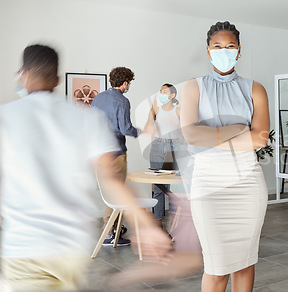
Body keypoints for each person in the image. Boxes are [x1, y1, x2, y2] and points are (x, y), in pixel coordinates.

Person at [0, 44, 172, 291]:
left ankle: (111, 232)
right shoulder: (84, 118)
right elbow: (111, 178)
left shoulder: (7, 116)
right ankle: (114, 233)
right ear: (58, 79)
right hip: (70, 248)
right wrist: (146, 226)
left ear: (23, 73)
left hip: (23, 247)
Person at [180, 21, 270, 292]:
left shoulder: (255, 89)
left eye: (230, 46)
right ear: (208, 51)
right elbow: (191, 137)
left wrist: (212, 137)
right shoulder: (193, 87)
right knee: (216, 268)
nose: (224, 51)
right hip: (208, 182)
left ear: (239, 51)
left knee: (245, 262)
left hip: (247, 181)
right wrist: (236, 129)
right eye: (217, 46)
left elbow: (260, 138)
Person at [91, 66, 152, 246]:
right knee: (116, 193)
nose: (128, 86)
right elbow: (126, 128)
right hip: (116, 153)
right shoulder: (122, 101)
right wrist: (143, 131)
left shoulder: (98, 98)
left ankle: (115, 230)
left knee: (108, 191)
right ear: (125, 82)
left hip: (99, 153)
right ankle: (110, 233)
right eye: (129, 83)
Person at [146, 83, 181, 228]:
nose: (161, 94)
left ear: (172, 95)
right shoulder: (156, 109)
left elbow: (186, 130)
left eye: (165, 92)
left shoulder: (178, 110)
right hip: (157, 146)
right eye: (160, 91)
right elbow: (149, 127)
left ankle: (174, 221)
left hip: (174, 146)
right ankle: (158, 223)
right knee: (158, 186)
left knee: (174, 187)